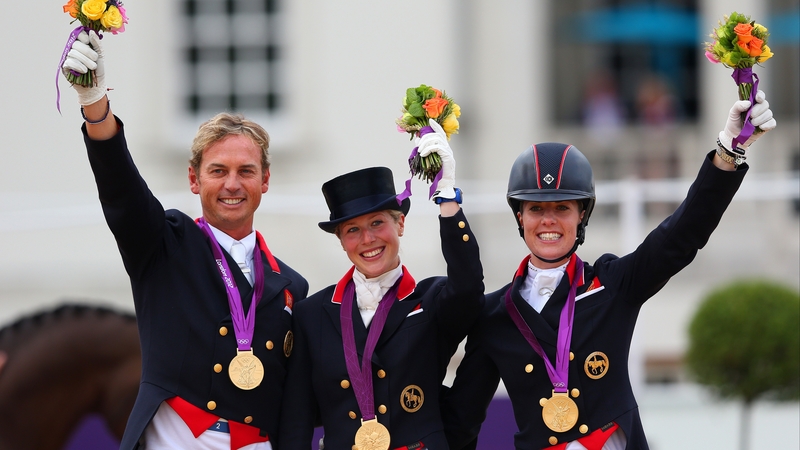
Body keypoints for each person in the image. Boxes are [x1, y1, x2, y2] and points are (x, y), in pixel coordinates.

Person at [442, 90, 777, 450]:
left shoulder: (612, 285)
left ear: (581, 215)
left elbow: (681, 235)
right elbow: (460, 424)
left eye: (562, 208)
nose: (549, 221)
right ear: (519, 216)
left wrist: (728, 151)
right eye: (536, 209)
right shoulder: (493, 317)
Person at [61, 30, 309, 450]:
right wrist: (95, 107)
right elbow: (121, 190)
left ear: (265, 180)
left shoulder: (292, 285)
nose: (232, 184)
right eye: (218, 170)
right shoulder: (163, 244)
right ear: (194, 179)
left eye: (246, 171)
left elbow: (297, 401)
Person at [278, 121, 484, 449]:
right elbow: (297, 418)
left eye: (377, 223)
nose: (368, 239)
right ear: (341, 240)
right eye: (352, 230)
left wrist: (448, 199)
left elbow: (470, 287)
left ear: (400, 223)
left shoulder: (431, 301)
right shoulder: (310, 314)